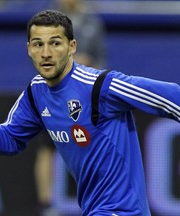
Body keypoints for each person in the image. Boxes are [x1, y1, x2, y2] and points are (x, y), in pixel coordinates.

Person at [0, 10, 180, 215]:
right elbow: (10, 140)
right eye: (38, 44)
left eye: (55, 43)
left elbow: (170, 94)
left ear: (72, 46)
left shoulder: (99, 86)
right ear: (28, 49)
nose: (46, 53)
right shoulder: (36, 92)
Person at [33, 1, 106, 215]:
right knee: (46, 147)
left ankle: (97, 202)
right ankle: (46, 204)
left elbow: (102, 60)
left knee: (92, 149)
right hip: (55, 96)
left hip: (84, 97)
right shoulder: (45, 21)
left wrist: (85, 66)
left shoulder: (93, 22)